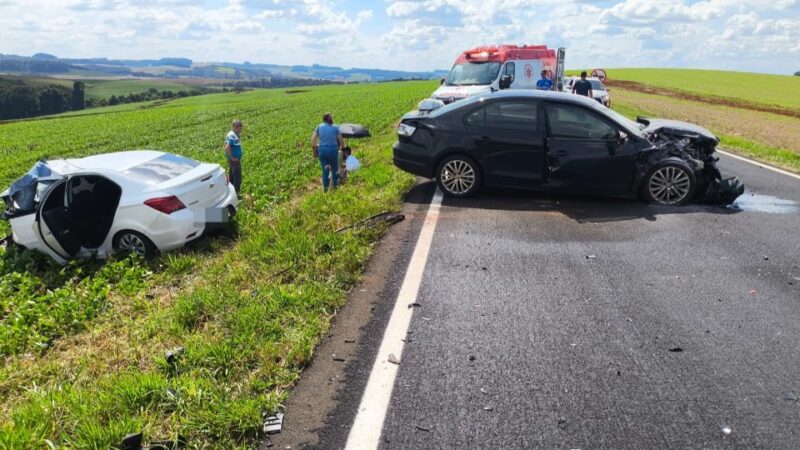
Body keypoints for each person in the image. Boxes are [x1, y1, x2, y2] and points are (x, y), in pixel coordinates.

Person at [311, 113, 345, 191]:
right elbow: (340, 139)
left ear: (323, 119)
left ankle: (325, 190)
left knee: (325, 170)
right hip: (333, 150)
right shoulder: (335, 127)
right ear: (331, 119)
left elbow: (313, 140)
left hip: (322, 151)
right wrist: (343, 148)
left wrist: (314, 149)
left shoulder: (319, 126)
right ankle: (335, 188)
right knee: (335, 169)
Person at [224, 120, 243, 193]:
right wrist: (232, 158)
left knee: (232, 175)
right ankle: (236, 193)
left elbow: (226, 144)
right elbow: (227, 147)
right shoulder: (232, 135)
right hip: (234, 161)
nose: (241, 129)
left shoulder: (232, 134)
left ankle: (231, 191)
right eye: (240, 127)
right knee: (237, 177)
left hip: (232, 160)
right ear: (236, 127)